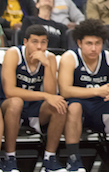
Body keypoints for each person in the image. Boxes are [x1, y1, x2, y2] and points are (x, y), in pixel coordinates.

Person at [57, 18, 109, 171]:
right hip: (80, 108)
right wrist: (97, 90)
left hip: (103, 106)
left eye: (97, 43)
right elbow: (65, 90)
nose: (93, 48)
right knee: (74, 106)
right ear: (79, 43)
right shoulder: (70, 58)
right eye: (89, 43)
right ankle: (73, 160)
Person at [0, 24, 68, 172]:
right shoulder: (13, 54)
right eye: (35, 42)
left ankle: (49, 158)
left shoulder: (49, 57)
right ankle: (9, 157)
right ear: (25, 42)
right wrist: (44, 95)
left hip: (34, 106)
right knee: (16, 102)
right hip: (8, 104)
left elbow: (51, 93)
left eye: (43, 42)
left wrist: (47, 65)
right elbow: (10, 91)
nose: (39, 46)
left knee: (59, 105)